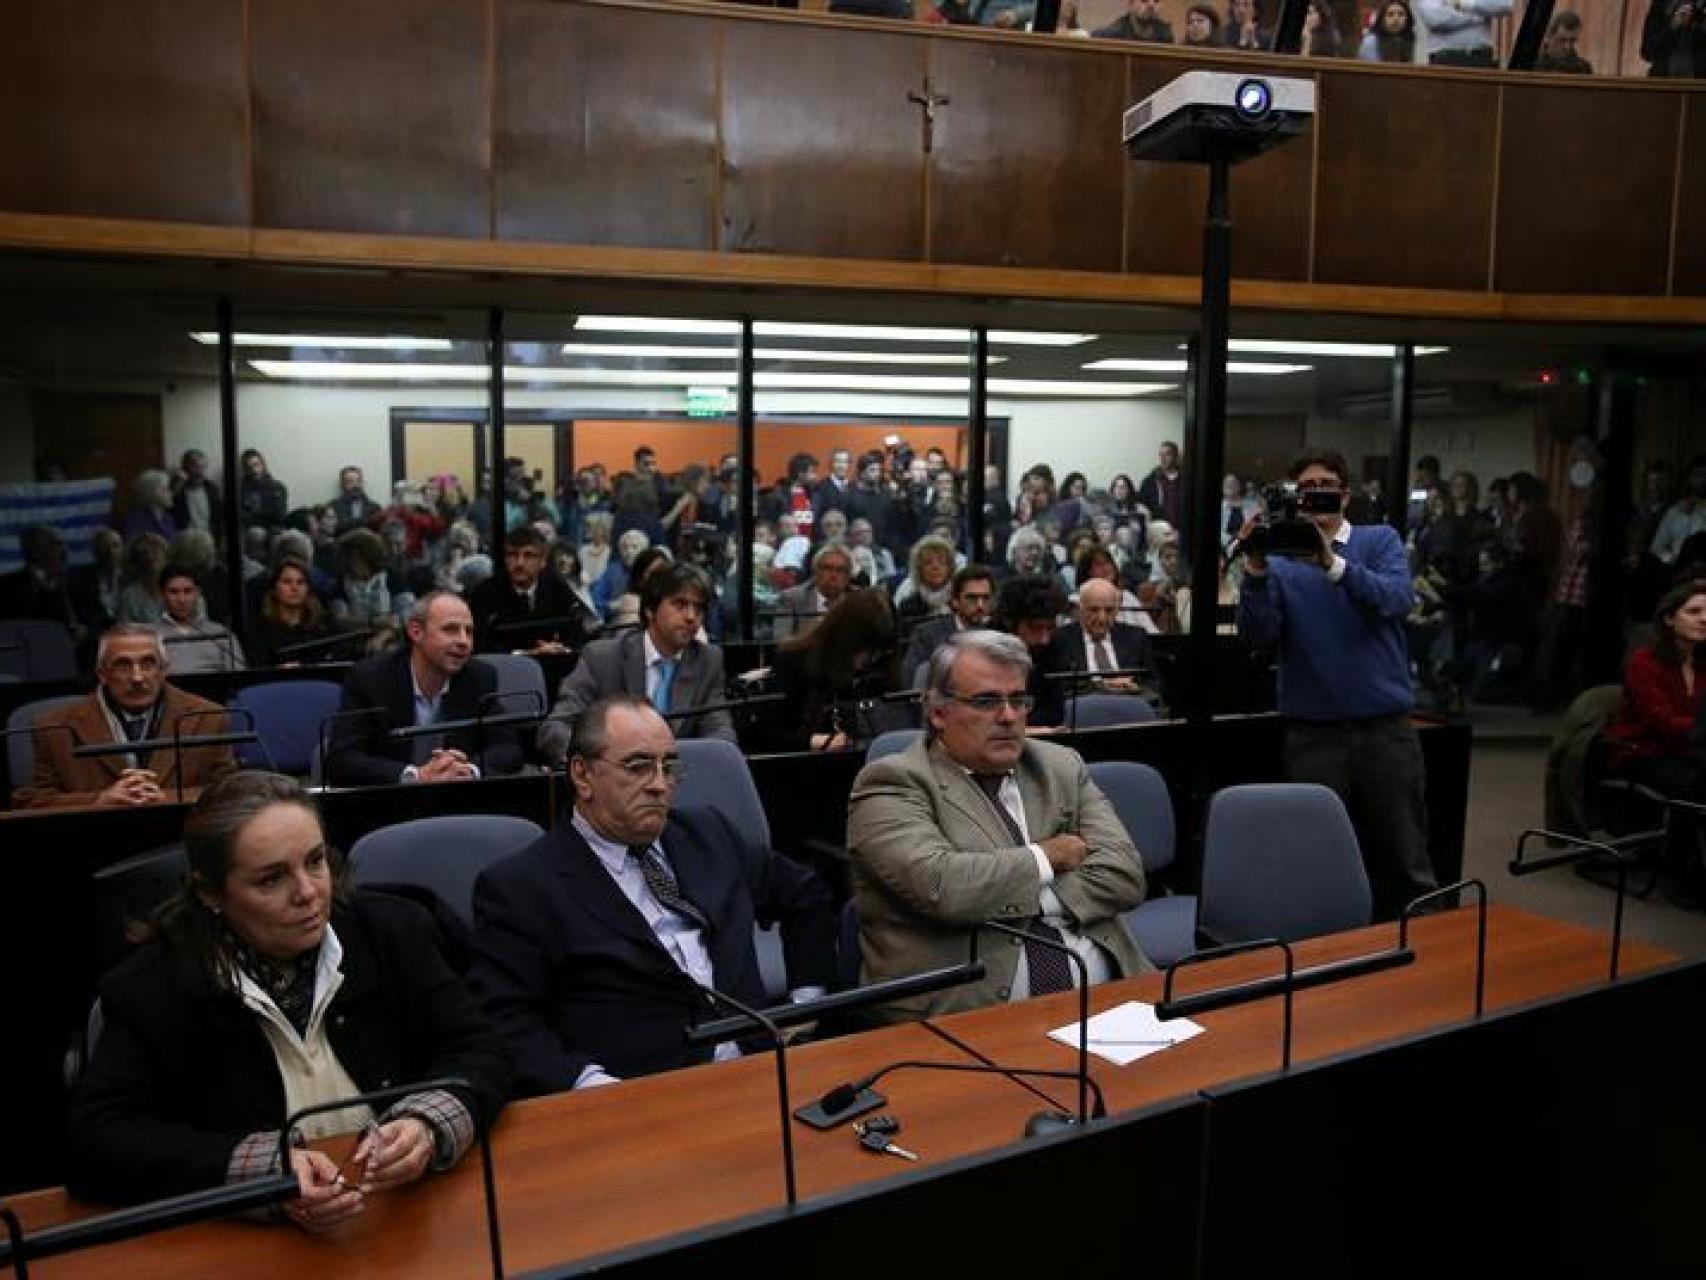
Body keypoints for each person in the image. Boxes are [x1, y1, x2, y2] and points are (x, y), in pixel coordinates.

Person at [67, 772, 510, 1209]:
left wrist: (427, 1122)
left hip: (404, 1209)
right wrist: (266, 1172)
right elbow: (98, 1144)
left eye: (315, 861)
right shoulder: (155, 986)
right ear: (210, 893)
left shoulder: (393, 932)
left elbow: (480, 1048)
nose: (308, 892)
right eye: (271, 879)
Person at [470, 695, 835, 1093]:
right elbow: (505, 1020)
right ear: (582, 775)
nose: (660, 785)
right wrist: (590, 1084)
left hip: (762, 1076)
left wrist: (805, 1006)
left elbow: (804, 895)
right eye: (638, 767)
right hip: (639, 1096)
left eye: (669, 767)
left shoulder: (708, 834)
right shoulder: (522, 886)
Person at [845, 630, 1149, 1021]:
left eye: (1018, 700)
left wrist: (1004, 895)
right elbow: (946, 888)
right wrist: (1047, 858)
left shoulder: (1060, 766)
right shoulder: (892, 783)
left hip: (1109, 998)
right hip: (965, 1013)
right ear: (937, 712)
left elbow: (1125, 874)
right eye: (986, 702)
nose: (1008, 716)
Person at [1235, 447, 1435, 921]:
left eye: (1325, 488)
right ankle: (1321, 956)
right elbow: (1258, 636)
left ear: (1345, 495)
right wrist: (1256, 571)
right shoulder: (1280, 561)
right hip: (1314, 734)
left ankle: (1424, 947)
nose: (1315, 497)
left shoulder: (1378, 540)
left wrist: (1332, 564)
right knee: (1313, 855)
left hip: (1385, 731)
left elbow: (1397, 599)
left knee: (1404, 854)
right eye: (1305, 490)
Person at [13, 624, 237, 810]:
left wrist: (168, 799)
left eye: (148, 663)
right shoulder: (53, 727)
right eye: (123, 665)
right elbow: (31, 801)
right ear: (102, 673)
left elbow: (231, 792)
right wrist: (98, 800)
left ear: (164, 670)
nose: (137, 677)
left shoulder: (209, 717)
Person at [325, 591, 525, 786]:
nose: (464, 641)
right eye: (450, 629)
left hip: (458, 796)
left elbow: (509, 748)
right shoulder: (371, 679)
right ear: (416, 632)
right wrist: (416, 776)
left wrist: (469, 770)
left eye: (469, 631)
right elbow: (342, 759)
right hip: (393, 800)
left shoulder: (479, 677)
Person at [539, 562, 735, 759]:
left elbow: (721, 735)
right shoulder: (602, 658)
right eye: (680, 605)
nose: (691, 617)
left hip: (680, 773)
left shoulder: (708, 660)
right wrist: (598, 763)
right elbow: (556, 728)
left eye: (699, 608)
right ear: (650, 609)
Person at [757, 588, 906, 753]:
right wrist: (812, 741)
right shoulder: (794, 661)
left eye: (878, 651)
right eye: (866, 649)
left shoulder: (881, 666)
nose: (870, 659)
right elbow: (765, 734)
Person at [1604, 580, 1706, 801]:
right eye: (1694, 612)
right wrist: (1700, 729)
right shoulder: (1644, 662)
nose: (1704, 619)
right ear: (1670, 618)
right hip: (1643, 752)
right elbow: (1662, 722)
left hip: (1689, 752)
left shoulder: (1702, 663)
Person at [467, 525, 598, 656]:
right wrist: (527, 654)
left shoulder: (556, 586)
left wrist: (563, 649)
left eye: (528, 555)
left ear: (543, 561)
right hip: (504, 665)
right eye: (513, 555)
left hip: (554, 661)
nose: (519, 563)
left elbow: (580, 630)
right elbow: (479, 643)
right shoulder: (485, 592)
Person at [1051, 577, 1153, 692]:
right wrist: (1100, 685)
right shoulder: (1061, 639)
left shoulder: (1135, 637)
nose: (1102, 618)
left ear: (1117, 611)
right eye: (1094, 610)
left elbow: (1155, 684)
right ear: (1080, 609)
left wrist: (1136, 688)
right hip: (1084, 701)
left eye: (1109, 610)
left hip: (1128, 700)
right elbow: (1054, 687)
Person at [902, 564, 996, 687]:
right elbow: (910, 681)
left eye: (986, 598)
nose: (980, 605)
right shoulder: (927, 635)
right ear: (955, 601)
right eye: (971, 598)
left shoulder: (999, 633)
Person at [152, 566, 246, 673]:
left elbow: (239, 676)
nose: (181, 600)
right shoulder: (148, 635)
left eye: (188, 591)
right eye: (174, 592)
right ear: (162, 595)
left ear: (198, 592)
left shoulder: (221, 634)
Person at [249, 557, 336, 666]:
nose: (294, 588)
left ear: (308, 589)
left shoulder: (323, 625)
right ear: (274, 589)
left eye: (300, 582)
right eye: (287, 582)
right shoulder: (260, 628)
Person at [773, 541, 853, 642]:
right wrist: (814, 630)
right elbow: (781, 642)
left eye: (840, 570)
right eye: (827, 568)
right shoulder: (791, 598)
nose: (833, 575)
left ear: (848, 576)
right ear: (816, 571)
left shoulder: (859, 600)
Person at [1415, 0, 1512, 67]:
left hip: (1483, 56)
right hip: (1446, 57)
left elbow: (1508, 5)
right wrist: (1480, 14)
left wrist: (1465, 4)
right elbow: (1436, 18)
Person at [1643, 0, 1706, 77]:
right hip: (1663, 78)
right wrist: (1672, 26)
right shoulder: (1662, 5)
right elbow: (1647, 52)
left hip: (1698, 80)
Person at [171, 449, 222, 542]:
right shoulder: (177, 491)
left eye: (202, 467)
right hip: (186, 541)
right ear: (184, 468)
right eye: (195, 467)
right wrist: (176, 487)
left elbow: (219, 518)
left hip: (210, 540)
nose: (200, 472)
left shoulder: (212, 489)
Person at [1137, 441, 1186, 532]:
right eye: (1161, 454)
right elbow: (1141, 506)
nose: (1163, 458)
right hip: (1159, 530)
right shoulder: (1150, 481)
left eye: (1167, 454)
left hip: (1182, 529)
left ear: (1175, 456)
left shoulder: (1186, 480)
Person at [238, 449, 290, 532]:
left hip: (277, 529)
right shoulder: (240, 490)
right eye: (249, 467)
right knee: (256, 533)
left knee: (296, 536)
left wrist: (256, 514)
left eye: (256, 465)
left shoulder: (278, 487)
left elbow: (280, 515)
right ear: (245, 470)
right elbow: (242, 516)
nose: (254, 470)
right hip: (254, 529)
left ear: (262, 464)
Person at [1094, 0, 1174, 41]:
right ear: (1131, 3)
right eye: (1144, 0)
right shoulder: (1116, 31)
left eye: (1156, 1)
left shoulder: (1165, 33)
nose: (1151, 5)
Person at [329, 465, 376, 535]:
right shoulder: (333, 506)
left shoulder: (374, 507)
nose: (355, 485)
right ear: (342, 485)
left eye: (358, 481)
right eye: (350, 482)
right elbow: (336, 528)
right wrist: (364, 522)